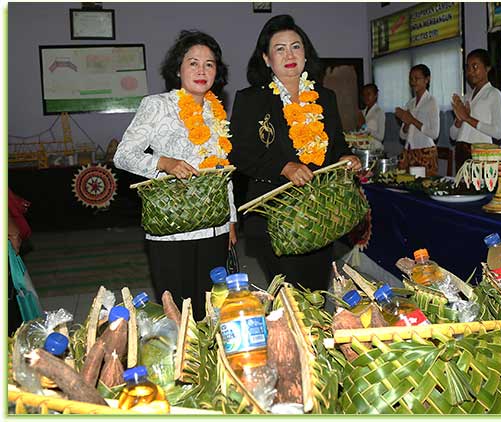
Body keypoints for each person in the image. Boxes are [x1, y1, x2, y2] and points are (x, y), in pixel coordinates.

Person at [229, 14, 361, 291]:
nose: (289, 54)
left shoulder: (325, 97)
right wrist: (283, 166)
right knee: (291, 295)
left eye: (296, 46)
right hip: (274, 217)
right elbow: (239, 153)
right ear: (266, 58)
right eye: (280, 48)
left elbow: (336, 143)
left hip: (320, 214)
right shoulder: (251, 99)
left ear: (306, 53)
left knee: (318, 292)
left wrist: (345, 157)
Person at [114, 30, 237, 321]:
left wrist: (231, 218)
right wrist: (164, 163)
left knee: (211, 308)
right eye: (193, 63)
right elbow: (123, 155)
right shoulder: (157, 105)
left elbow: (223, 170)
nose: (201, 70)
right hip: (172, 228)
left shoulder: (217, 112)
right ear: (178, 69)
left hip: (215, 227)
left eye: (209, 64)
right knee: (178, 313)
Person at [450, 49, 501, 171]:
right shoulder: (467, 97)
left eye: (475, 67)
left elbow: (498, 132)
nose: (470, 72)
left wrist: (468, 118)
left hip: (481, 154)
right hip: (461, 152)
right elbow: (452, 135)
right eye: (468, 68)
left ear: (487, 68)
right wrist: (459, 120)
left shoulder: (494, 94)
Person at [395, 64, 440, 176]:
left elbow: (435, 133)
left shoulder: (431, 101)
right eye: (411, 79)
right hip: (409, 151)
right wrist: (406, 123)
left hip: (426, 153)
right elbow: (402, 135)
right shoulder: (410, 103)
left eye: (417, 78)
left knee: (424, 189)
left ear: (427, 79)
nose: (413, 82)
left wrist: (412, 120)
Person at [356, 83, 385, 151]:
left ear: (376, 95)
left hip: (376, 150)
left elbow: (381, 137)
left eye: (368, 94)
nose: (366, 97)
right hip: (363, 149)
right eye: (364, 95)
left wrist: (364, 127)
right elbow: (360, 132)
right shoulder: (362, 112)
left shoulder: (379, 112)